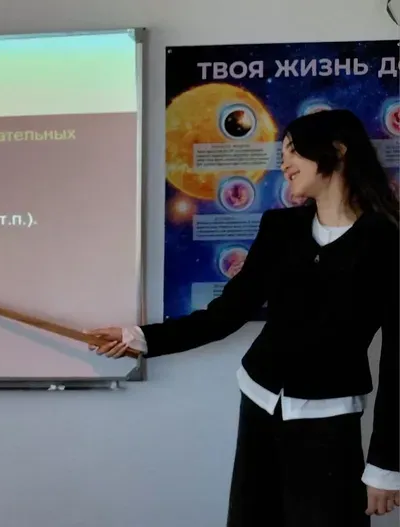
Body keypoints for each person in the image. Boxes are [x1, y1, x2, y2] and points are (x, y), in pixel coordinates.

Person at [90, 109, 399, 527]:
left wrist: (385, 466)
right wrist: (141, 338)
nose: (284, 163)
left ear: (338, 151)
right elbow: (228, 313)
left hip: (329, 420)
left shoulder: (386, 240)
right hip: (259, 402)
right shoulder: (280, 228)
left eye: (294, 151)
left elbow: (397, 360)